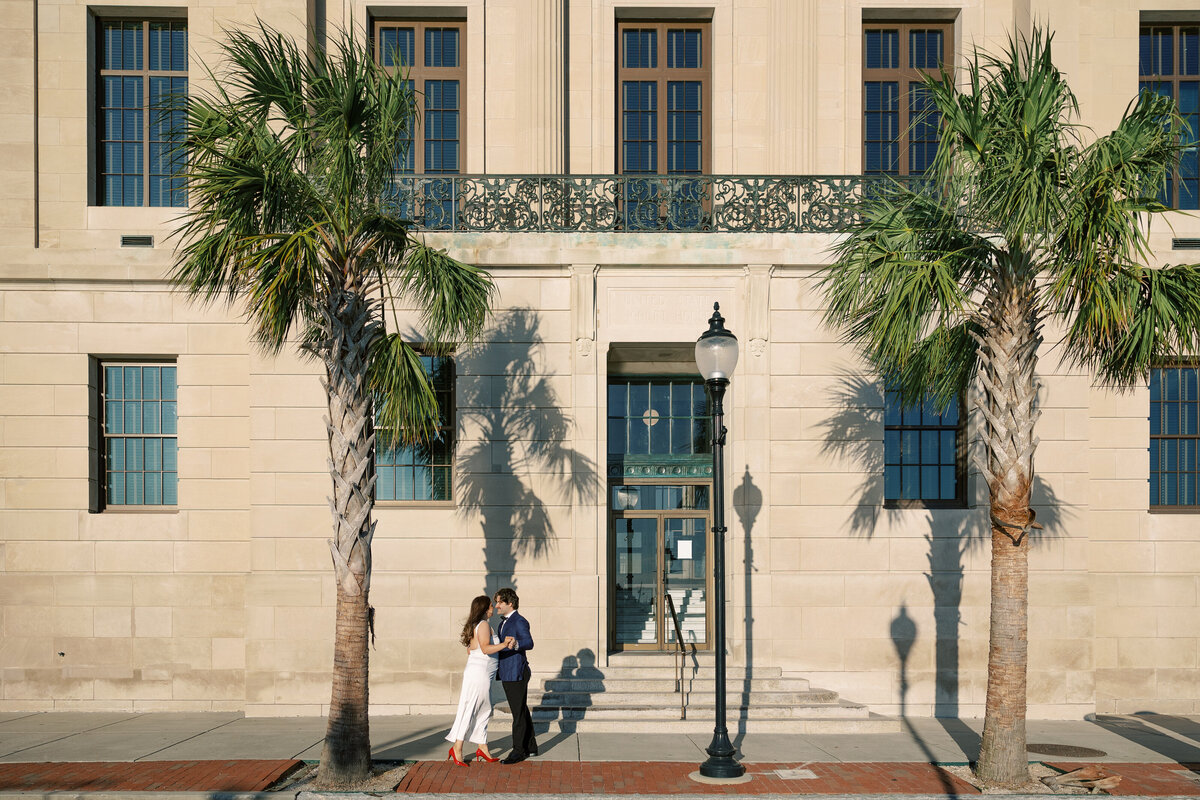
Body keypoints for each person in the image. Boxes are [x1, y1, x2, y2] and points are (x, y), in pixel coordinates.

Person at [446, 595, 514, 766]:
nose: (493, 608)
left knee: (484, 708)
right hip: (480, 674)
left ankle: (482, 747)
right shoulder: (483, 625)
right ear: (485, 609)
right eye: (491, 606)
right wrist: (504, 644)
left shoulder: (479, 625)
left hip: (482, 673)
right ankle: (457, 747)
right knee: (472, 709)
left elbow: (471, 650)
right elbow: (485, 649)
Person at [494, 587, 538, 764]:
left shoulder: (519, 621)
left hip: (516, 672)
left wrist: (517, 643)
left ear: (509, 603)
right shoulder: (502, 622)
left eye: (499, 602)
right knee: (521, 710)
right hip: (507, 671)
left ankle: (518, 751)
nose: (496, 605)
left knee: (517, 713)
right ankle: (531, 747)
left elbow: (529, 642)